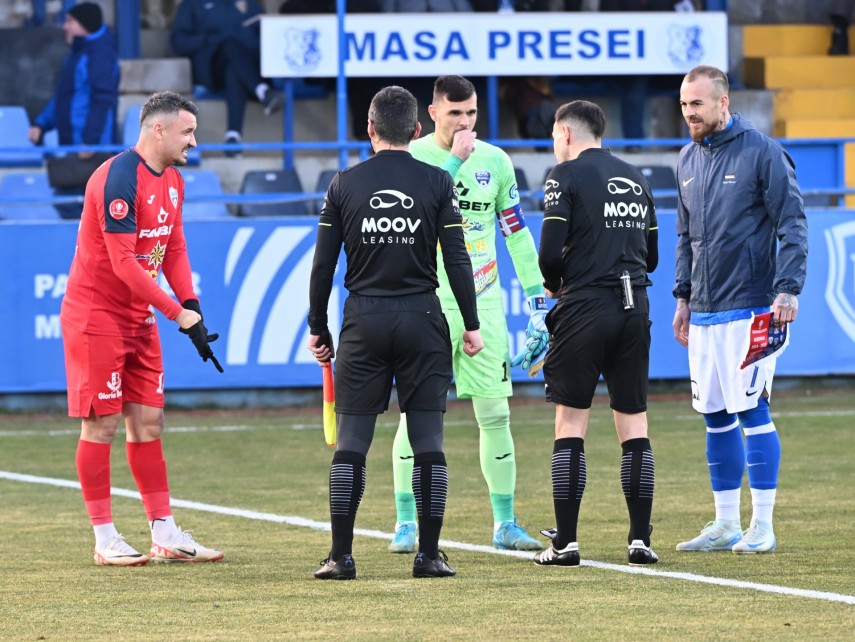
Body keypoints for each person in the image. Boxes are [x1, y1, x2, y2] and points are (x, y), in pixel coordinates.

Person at [307, 85, 483, 580]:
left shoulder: (343, 184)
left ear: (370, 129)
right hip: (422, 317)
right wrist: (471, 324)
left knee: (352, 442)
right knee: (427, 441)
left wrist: (318, 327)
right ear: (417, 129)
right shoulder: (437, 182)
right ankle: (428, 555)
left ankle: (340, 557)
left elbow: (322, 267)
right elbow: (457, 259)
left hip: (363, 320)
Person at [60, 91, 224, 567]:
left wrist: (191, 303)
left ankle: (164, 533)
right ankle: (104, 537)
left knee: (149, 422)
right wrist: (176, 313)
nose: (193, 141)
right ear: (159, 129)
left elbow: (173, 246)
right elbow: (124, 262)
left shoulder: (173, 180)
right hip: (96, 317)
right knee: (102, 424)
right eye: (187, 132)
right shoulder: (117, 177)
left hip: (138, 318)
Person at [387, 75, 546, 555]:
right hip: (428, 303)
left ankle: (505, 523)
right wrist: (455, 160)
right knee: (415, 415)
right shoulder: (412, 158)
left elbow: (515, 232)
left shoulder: (496, 161)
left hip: (485, 303)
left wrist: (537, 300)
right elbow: (413, 215)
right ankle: (405, 523)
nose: (464, 122)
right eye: (455, 113)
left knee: (495, 413)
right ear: (432, 113)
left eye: (471, 113)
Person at [672, 66, 808, 554]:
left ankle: (763, 526)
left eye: (697, 104)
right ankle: (726, 523)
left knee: (752, 409)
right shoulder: (686, 158)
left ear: (723, 102)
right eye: (684, 104)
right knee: (714, 415)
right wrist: (683, 296)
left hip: (751, 306)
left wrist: (787, 289)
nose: (689, 113)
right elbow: (686, 237)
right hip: (704, 311)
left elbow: (792, 223)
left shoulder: (762, 151)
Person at [533, 100, 660, 567]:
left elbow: (549, 255)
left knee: (571, 423)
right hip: (634, 305)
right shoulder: (637, 177)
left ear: (566, 133)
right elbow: (651, 258)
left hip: (585, 306)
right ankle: (640, 540)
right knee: (634, 424)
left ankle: (565, 543)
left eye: (554, 135)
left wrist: (555, 284)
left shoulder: (563, 176)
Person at [28, 2, 119, 219]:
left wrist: (90, 140)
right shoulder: (79, 53)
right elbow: (64, 97)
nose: (65, 26)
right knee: (71, 203)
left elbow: (102, 100)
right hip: (75, 146)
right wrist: (42, 123)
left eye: (70, 21)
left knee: (74, 203)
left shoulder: (100, 54)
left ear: (85, 25)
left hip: (89, 149)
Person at [170, 0, 285, 156]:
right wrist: (209, 39)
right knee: (229, 44)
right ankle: (263, 91)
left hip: (249, 68)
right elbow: (178, 42)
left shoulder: (251, 4)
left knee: (234, 68)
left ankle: (233, 138)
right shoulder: (193, 4)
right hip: (211, 70)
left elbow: (268, 38)